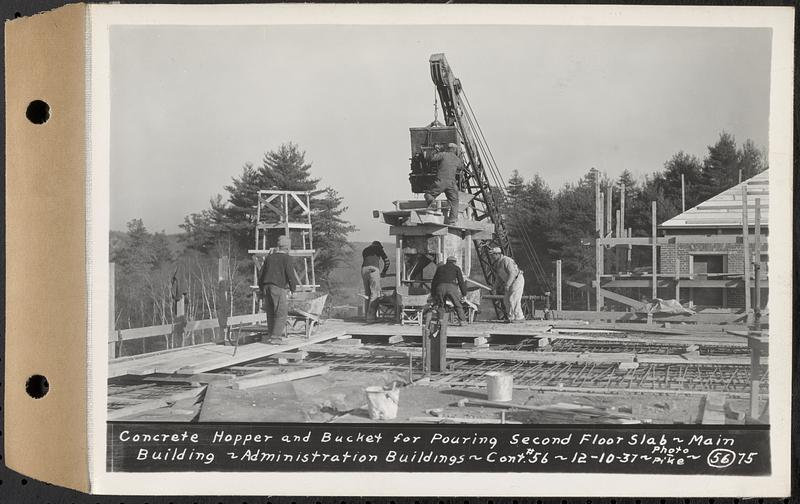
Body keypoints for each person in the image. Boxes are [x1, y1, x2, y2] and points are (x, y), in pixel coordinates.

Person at [257, 235, 297, 341]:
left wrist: (261, 288)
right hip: (277, 287)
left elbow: (261, 273)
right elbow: (290, 275)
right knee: (281, 312)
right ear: (287, 248)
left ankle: (271, 335)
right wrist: (293, 289)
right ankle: (276, 338)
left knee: (270, 312)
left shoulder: (269, 257)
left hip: (266, 287)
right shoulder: (287, 258)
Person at [424, 143, 462, 225]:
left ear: (448, 148)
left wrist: (434, 150)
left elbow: (431, 158)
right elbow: (461, 167)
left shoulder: (443, 154)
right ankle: (453, 220)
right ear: (455, 150)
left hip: (441, 182)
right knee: (454, 201)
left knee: (428, 194)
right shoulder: (457, 159)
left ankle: (432, 202)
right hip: (452, 183)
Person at [488, 246, 525, 322]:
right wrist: (494, 287)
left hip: (517, 280)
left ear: (498, 254)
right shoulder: (498, 263)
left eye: (493, 255)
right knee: (506, 300)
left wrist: (507, 285)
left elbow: (512, 273)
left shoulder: (506, 260)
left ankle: (519, 317)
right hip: (510, 281)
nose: (492, 257)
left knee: (514, 299)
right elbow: (499, 277)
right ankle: (511, 317)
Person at [431, 256, 468, 324]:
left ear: (447, 261)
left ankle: (440, 320)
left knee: (441, 304)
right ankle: (462, 321)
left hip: (440, 287)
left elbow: (434, 282)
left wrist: (433, 294)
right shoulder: (456, 268)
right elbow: (461, 282)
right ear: (454, 262)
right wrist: (464, 294)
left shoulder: (440, 268)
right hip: (451, 287)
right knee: (457, 304)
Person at [361, 240, 390, 322]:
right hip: (373, 269)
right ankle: (371, 317)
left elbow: (367, 261)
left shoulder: (365, 250)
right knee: (375, 293)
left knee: (367, 294)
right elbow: (387, 262)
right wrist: (384, 271)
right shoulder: (378, 249)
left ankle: (366, 316)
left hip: (363, 270)